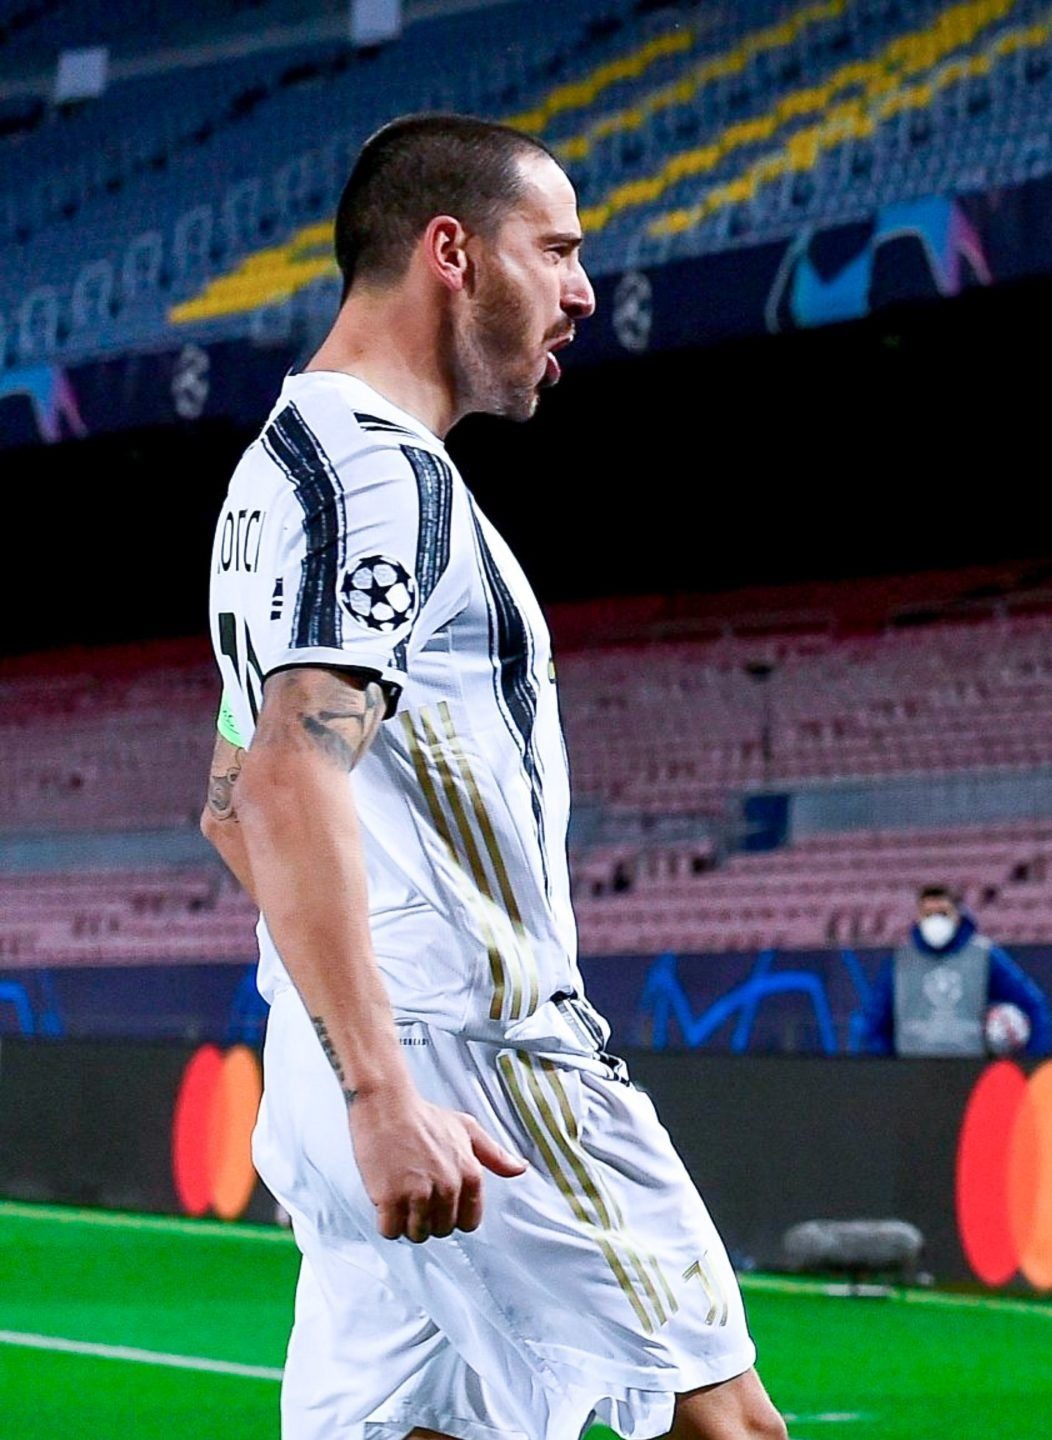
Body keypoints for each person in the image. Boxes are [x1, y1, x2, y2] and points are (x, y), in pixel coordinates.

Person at [198, 113, 787, 1440]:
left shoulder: (279, 477)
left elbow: (229, 801)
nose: (584, 292)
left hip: (358, 1056)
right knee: (727, 1427)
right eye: (557, 250)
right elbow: (284, 781)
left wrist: (352, 1066)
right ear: (452, 252)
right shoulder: (379, 479)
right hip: (477, 1066)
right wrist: (386, 1083)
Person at [861, 885, 1052, 1057]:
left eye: (943, 913)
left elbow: (1033, 1004)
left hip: (969, 1070)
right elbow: (874, 1021)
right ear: (918, 917)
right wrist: (886, 1068)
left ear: (957, 914)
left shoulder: (983, 955)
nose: (935, 919)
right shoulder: (901, 961)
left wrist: (1034, 1062)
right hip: (912, 1071)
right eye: (928, 914)